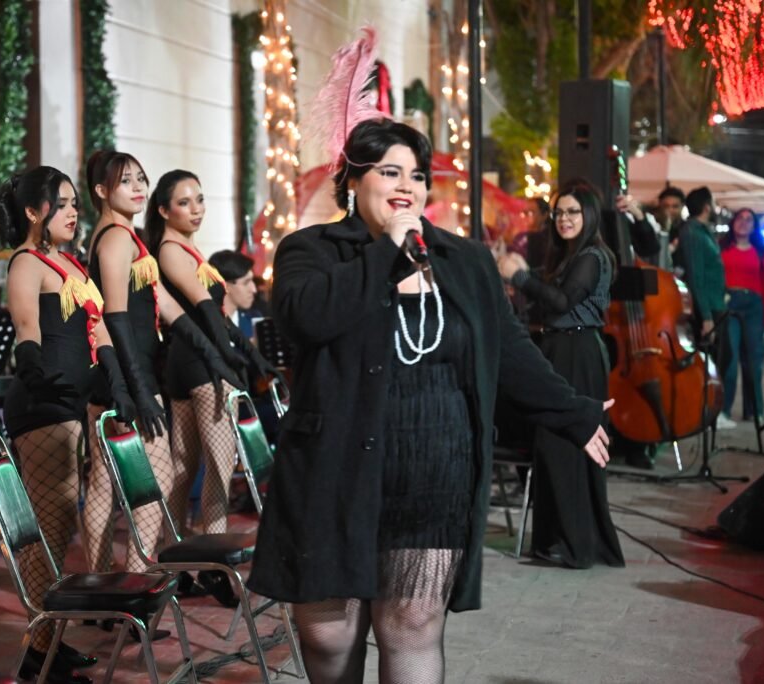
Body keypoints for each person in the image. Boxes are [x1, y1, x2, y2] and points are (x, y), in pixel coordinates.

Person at [248, 117, 613, 683]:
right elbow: (306, 318)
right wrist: (386, 251)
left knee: (412, 624)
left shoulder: (463, 260)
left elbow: (509, 349)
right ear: (353, 180)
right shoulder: (311, 251)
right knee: (329, 635)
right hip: (335, 467)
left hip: (433, 469)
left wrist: (573, 413)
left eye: (417, 176)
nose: (407, 186)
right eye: (390, 172)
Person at [0, 165, 135, 683]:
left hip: (71, 407)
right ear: (34, 212)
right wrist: (34, 371)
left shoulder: (71, 263)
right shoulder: (26, 262)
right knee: (49, 531)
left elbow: (98, 329)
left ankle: (47, 643)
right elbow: (26, 328)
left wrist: (116, 382)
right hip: (42, 405)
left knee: (57, 530)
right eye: (62, 203)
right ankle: (39, 651)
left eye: (76, 202)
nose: (74, 211)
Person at [83, 149, 242, 576]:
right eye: (125, 181)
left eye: (140, 178)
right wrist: (137, 388)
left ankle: (102, 583)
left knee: (104, 483)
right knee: (155, 482)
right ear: (102, 191)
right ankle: (136, 582)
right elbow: (115, 316)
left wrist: (218, 354)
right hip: (127, 373)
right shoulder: (116, 238)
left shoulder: (127, 237)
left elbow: (168, 308)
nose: (138, 187)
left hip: (122, 372)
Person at [499, 180, 625, 569]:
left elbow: (562, 302)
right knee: (554, 444)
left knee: (566, 446)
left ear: (589, 215)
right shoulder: (571, 256)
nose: (564, 219)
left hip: (577, 352)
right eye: (558, 213)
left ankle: (575, 544)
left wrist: (521, 277)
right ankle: (560, 539)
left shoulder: (592, 256)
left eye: (572, 212)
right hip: (563, 349)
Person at [144, 170, 277, 536]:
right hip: (198, 363)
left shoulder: (185, 248)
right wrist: (228, 355)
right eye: (184, 203)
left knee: (186, 467)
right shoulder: (170, 250)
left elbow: (213, 312)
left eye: (199, 200)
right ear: (164, 210)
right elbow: (205, 309)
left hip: (189, 362)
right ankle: (211, 551)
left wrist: (251, 354)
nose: (196, 209)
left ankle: (175, 549)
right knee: (219, 466)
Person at [676, 186, 733, 428]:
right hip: (707, 307)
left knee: (722, 358)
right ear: (706, 206)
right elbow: (696, 275)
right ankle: (707, 414)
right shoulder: (692, 232)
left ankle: (711, 412)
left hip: (716, 303)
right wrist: (706, 316)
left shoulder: (701, 230)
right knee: (714, 360)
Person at [719, 208, 764, 423]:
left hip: (754, 307)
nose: (744, 222)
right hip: (730, 305)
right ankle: (723, 411)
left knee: (753, 362)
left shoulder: (760, 252)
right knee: (730, 360)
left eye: (749, 219)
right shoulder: (722, 249)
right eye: (740, 218)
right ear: (733, 222)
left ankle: (754, 410)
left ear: (754, 226)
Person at [208, 249, 263, 340]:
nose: (254, 290)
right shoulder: (205, 326)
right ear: (224, 285)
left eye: (252, 281)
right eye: (246, 283)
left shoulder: (255, 321)